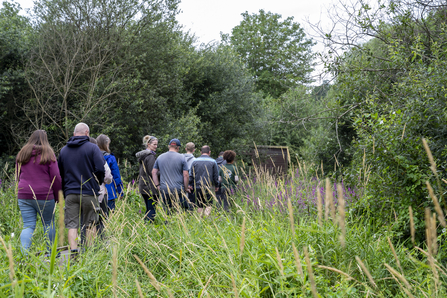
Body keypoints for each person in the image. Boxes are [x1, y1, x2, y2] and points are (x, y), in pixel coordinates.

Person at [58, 123, 105, 257]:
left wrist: (65, 190)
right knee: (90, 224)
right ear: (87, 133)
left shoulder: (63, 150)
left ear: (74, 134)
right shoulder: (93, 148)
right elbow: (100, 168)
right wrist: (98, 182)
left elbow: (60, 173)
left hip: (70, 193)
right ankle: (88, 254)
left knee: (72, 224)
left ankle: (73, 253)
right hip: (89, 191)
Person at [16, 130, 62, 254]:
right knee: (48, 224)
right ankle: (51, 254)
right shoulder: (48, 153)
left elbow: (17, 175)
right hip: (44, 195)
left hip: (24, 194)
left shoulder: (22, 153)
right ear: (45, 139)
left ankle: (23, 256)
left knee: (28, 225)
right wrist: (58, 196)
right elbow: (56, 176)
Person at [152, 139, 190, 213]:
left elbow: (154, 172)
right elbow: (186, 175)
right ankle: (179, 223)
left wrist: (157, 185)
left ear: (169, 146)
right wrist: (185, 188)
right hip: (178, 189)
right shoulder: (182, 157)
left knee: (167, 211)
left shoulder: (160, 157)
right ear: (177, 147)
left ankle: (167, 224)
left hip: (165, 189)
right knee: (183, 209)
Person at [89, 137, 112, 237]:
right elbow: (108, 176)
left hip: (82, 193)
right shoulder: (99, 158)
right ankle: (101, 241)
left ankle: (85, 243)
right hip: (100, 192)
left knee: (86, 221)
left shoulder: (79, 158)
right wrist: (102, 180)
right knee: (101, 219)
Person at [189, 145, 219, 215]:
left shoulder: (195, 161)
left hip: (198, 187)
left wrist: (190, 184)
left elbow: (191, 175)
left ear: (201, 152)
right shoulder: (213, 161)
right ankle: (206, 220)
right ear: (209, 152)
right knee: (208, 204)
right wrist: (217, 185)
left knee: (200, 205)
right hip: (208, 187)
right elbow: (216, 176)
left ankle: (200, 220)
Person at [97, 134, 123, 211]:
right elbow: (116, 176)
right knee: (109, 217)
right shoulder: (111, 158)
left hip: (95, 191)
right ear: (106, 145)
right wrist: (120, 191)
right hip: (109, 191)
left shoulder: (92, 156)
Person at [136, 135, 159, 222]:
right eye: (154, 144)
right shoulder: (150, 157)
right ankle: (148, 226)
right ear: (148, 144)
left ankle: (145, 226)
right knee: (152, 210)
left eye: (156, 144)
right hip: (149, 186)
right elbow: (152, 171)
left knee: (148, 209)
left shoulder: (144, 156)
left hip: (143, 186)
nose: (156, 146)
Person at [183, 142, 196, 208]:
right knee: (190, 201)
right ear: (193, 150)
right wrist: (189, 184)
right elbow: (193, 173)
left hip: (180, 182)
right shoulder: (195, 160)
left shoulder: (181, 157)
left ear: (186, 149)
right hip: (190, 183)